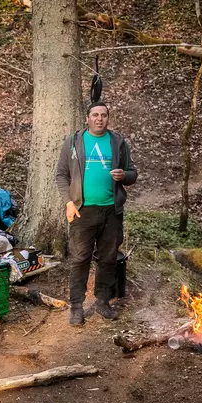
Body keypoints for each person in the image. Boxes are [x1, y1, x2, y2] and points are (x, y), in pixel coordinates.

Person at [55, 102, 138, 326]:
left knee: (108, 259)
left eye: (103, 115)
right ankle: (76, 306)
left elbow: (133, 173)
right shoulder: (73, 142)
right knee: (80, 259)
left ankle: (102, 301)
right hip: (83, 211)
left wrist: (124, 176)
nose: (99, 119)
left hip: (112, 209)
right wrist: (69, 202)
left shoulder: (119, 143)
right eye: (95, 115)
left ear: (108, 119)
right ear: (87, 118)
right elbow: (61, 175)